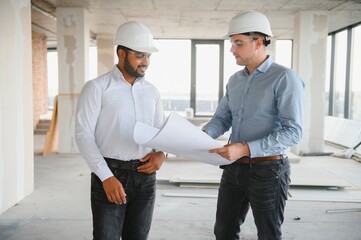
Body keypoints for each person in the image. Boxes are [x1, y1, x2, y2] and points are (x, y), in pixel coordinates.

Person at [202, 10, 304, 240]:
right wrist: (201, 136)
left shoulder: (285, 78)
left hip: (268, 172)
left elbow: (293, 132)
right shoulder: (235, 80)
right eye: (232, 43)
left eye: (238, 43)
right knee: (223, 232)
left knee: (268, 234)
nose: (232, 49)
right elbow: (222, 118)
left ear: (258, 42)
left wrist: (245, 148)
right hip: (233, 168)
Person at [75, 21, 166, 240]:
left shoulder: (152, 92)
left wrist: (162, 153)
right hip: (111, 174)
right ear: (121, 54)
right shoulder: (97, 88)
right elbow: (83, 135)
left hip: (145, 178)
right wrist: (106, 177)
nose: (145, 62)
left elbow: (161, 134)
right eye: (139, 55)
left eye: (148, 56)